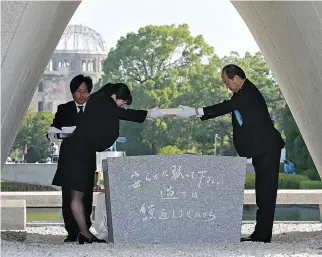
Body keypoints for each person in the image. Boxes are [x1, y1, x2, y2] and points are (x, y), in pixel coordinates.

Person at [176, 64, 285, 243]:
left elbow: (224, 107)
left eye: (226, 82)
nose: (226, 86)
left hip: (268, 148)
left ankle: (262, 235)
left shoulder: (247, 93)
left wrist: (195, 112)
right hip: (261, 149)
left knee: (266, 193)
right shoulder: (240, 94)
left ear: (236, 77)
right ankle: (260, 233)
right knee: (262, 192)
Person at [52, 82, 163, 244]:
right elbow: (127, 115)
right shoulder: (104, 102)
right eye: (121, 102)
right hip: (78, 153)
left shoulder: (98, 100)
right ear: (114, 97)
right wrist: (150, 114)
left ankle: (83, 232)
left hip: (77, 151)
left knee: (77, 195)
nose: (121, 106)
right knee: (76, 196)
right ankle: (84, 233)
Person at [47, 74, 95, 243]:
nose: (82, 95)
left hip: (87, 158)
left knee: (86, 194)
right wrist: (54, 133)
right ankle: (72, 231)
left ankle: (85, 229)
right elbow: (53, 129)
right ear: (72, 92)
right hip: (69, 158)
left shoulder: (94, 110)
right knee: (68, 195)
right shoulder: (64, 109)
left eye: (85, 91)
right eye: (78, 91)